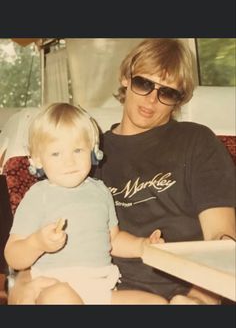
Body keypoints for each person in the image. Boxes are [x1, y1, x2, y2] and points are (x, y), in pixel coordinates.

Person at [93, 38, 236, 305]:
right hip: (109, 289)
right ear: (125, 78)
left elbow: (221, 237)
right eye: (144, 83)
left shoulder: (197, 142)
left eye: (167, 92)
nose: (152, 99)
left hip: (188, 289)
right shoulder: (88, 152)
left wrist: (199, 297)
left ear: (178, 99)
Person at [4, 102, 168, 305]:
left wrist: (142, 246)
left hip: (100, 290)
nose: (69, 161)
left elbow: (113, 240)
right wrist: (37, 243)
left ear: (93, 151)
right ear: (38, 160)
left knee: (156, 303)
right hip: (54, 288)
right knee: (61, 298)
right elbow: (13, 256)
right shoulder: (38, 196)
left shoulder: (100, 191)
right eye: (56, 153)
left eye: (78, 150)